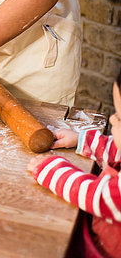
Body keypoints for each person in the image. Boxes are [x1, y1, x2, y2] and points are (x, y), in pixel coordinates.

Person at [27, 69, 121, 258]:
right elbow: (115, 149)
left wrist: (52, 170)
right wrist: (81, 140)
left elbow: (96, 195)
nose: (111, 119)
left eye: (119, 118)